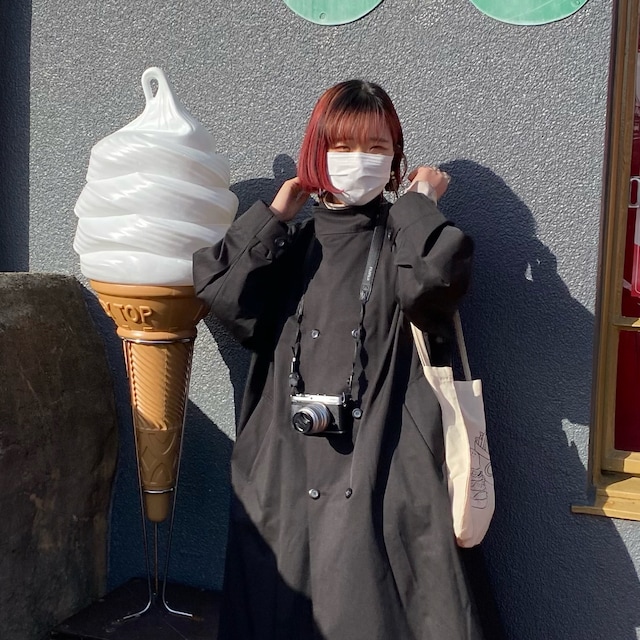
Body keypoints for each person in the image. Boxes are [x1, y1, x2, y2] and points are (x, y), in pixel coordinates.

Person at [193, 79, 482, 639]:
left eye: (377, 147)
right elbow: (221, 294)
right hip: (286, 468)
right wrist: (276, 212)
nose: (359, 160)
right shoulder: (293, 244)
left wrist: (419, 205)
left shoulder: (403, 241)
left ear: (396, 158)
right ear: (316, 153)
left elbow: (436, 283)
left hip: (384, 464)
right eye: (342, 146)